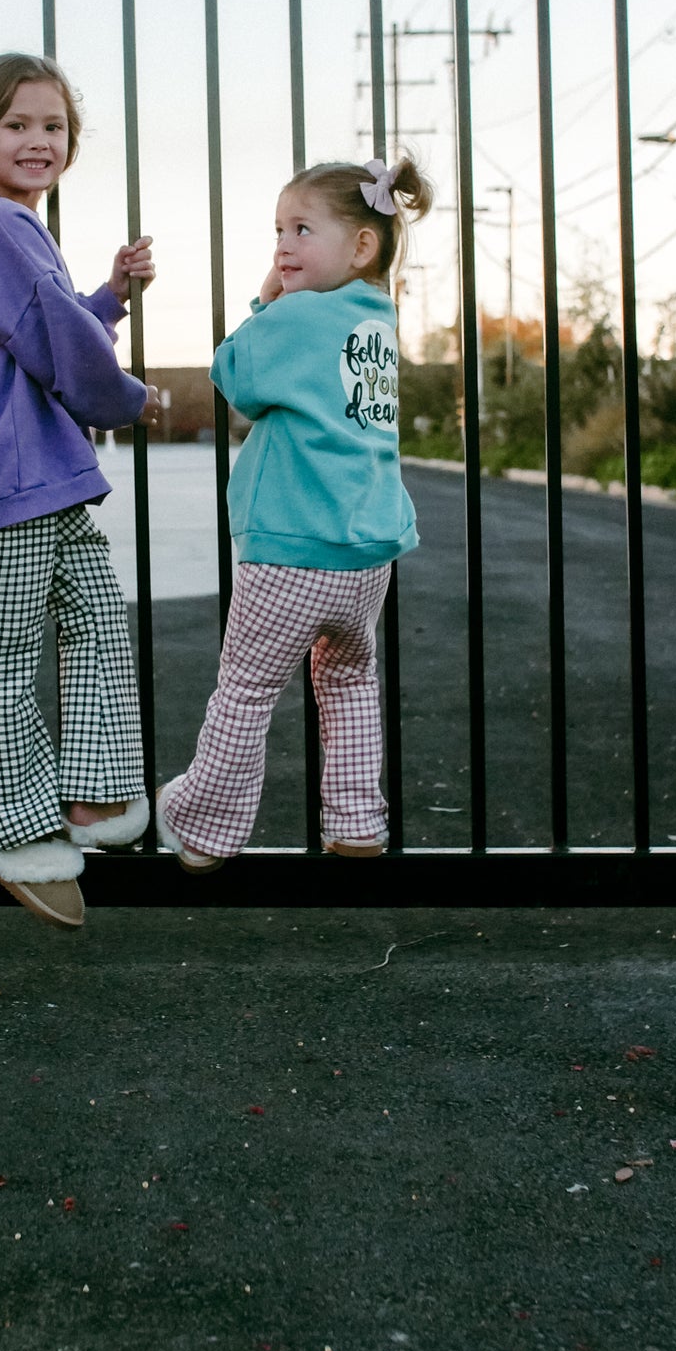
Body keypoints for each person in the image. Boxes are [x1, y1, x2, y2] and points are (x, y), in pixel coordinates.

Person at [0, 52, 159, 928]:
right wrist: (132, 398)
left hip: (40, 476)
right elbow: (58, 344)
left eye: (52, 126)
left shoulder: (9, 228)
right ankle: (21, 831)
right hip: (7, 478)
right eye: (16, 124)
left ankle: (94, 796)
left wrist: (110, 293)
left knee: (97, 619)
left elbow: (46, 325)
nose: (37, 140)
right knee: (13, 662)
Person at [156, 156, 432, 870]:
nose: (282, 247)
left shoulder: (301, 314)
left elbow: (235, 378)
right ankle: (354, 822)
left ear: (361, 246)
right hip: (366, 556)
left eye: (302, 229)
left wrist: (261, 302)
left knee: (245, 691)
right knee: (347, 684)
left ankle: (205, 828)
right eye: (278, 230)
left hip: (291, 550)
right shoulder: (375, 317)